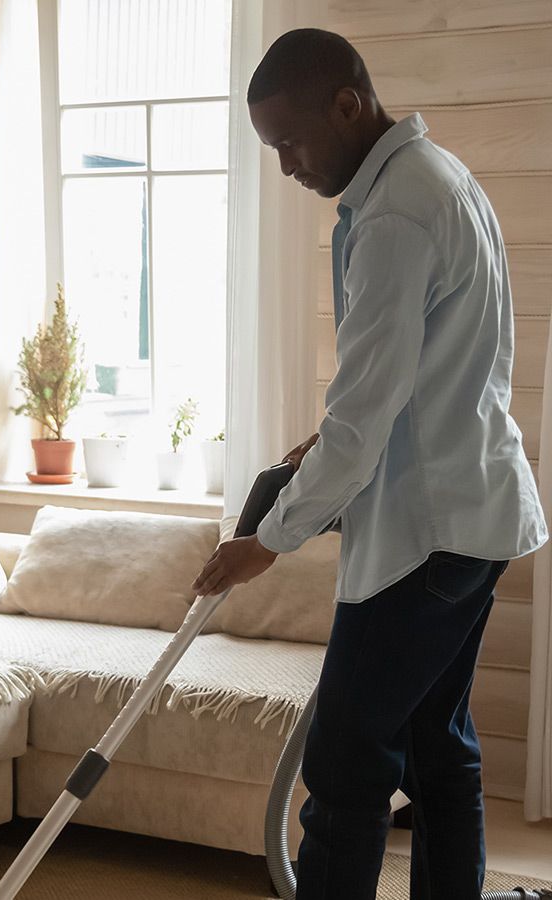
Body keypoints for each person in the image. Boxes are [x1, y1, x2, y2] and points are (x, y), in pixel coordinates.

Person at [189, 28, 547, 900]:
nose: (285, 168)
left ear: (347, 105)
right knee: (438, 749)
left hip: (426, 539)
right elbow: (427, 375)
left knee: (346, 772)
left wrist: (265, 542)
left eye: (289, 142)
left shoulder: (395, 215)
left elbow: (361, 428)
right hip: (477, 514)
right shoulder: (440, 179)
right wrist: (331, 442)